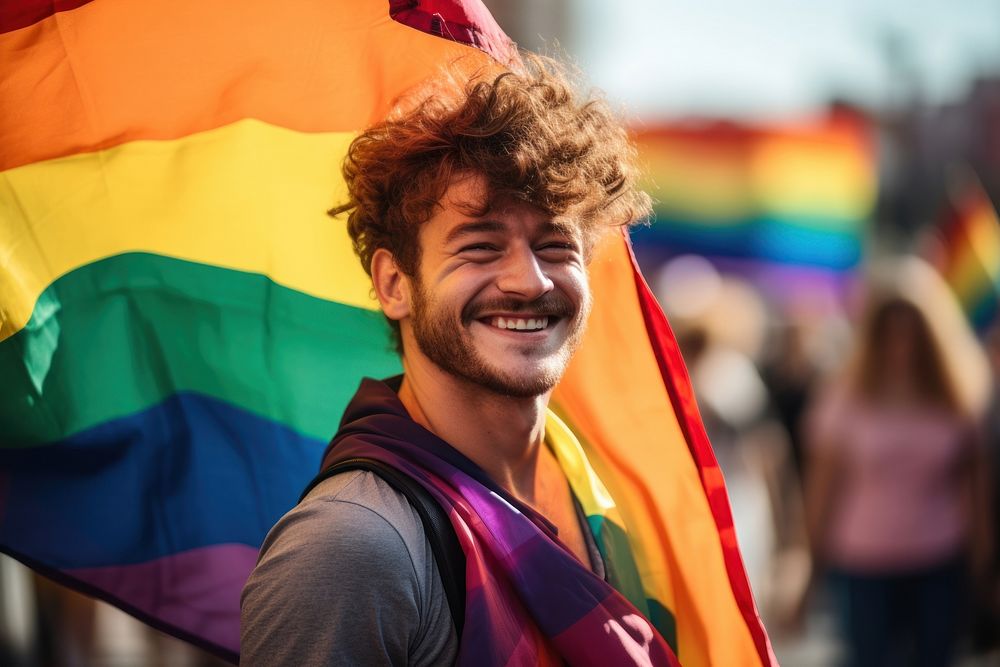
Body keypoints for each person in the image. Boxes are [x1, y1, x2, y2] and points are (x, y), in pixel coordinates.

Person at [239, 55, 678, 666]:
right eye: (480, 247)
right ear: (394, 284)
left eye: (555, 245)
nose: (528, 281)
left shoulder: (600, 490)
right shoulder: (349, 546)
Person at [803, 257, 993, 667]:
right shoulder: (846, 398)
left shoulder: (959, 395)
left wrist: (983, 564)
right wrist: (809, 570)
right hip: (863, 562)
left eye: (912, 334)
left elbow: (973, 487)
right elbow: (823, 490)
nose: (901, 347)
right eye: (891, 334)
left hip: (940, 558)